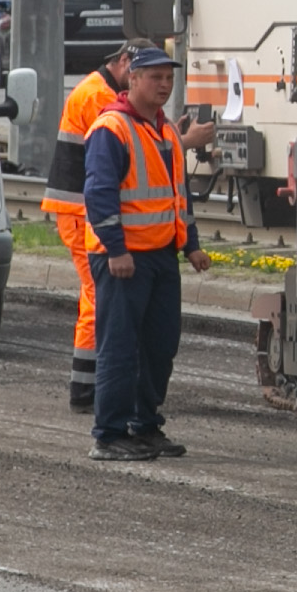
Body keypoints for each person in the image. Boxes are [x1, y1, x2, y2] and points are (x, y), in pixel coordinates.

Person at [81, 46, 208, 461]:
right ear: (131, 78)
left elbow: (177, 196)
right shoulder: (111, 128)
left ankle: (145, 424)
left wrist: (191, 245)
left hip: (158, 257)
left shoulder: (166, 130)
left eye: (168, 78)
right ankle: (110, 434)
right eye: (155, 77)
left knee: (158, 344)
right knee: (120, 346)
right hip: (123, 259)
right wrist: (116, 250)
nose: (164, 85)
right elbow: (99, 195)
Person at [39, 45, 131, 413]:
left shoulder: (98, 89)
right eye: (142, 72)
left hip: (79, 209)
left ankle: (90, 385)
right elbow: (119, 145)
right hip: (79, 211)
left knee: (94, 296)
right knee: (96, 297)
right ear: (122, 62)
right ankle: (86, 390)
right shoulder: (98, 96)